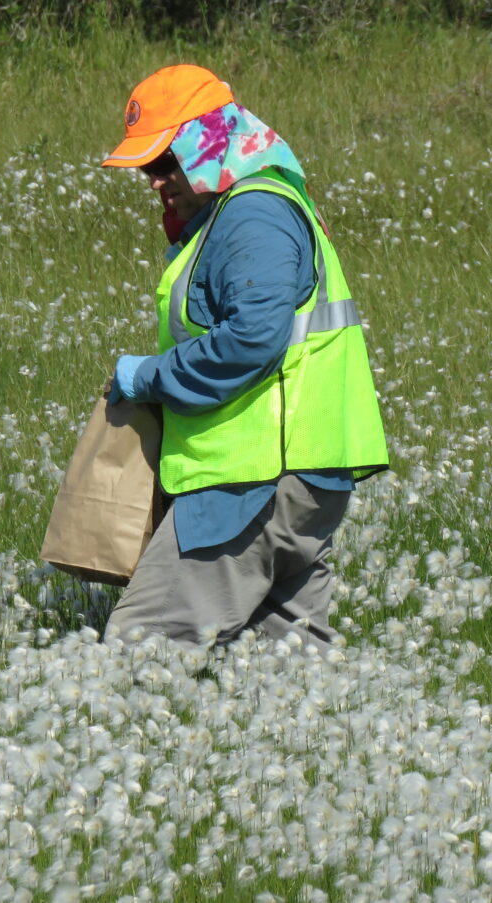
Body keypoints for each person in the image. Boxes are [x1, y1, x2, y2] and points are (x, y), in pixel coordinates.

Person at [100, 64, 388, 647]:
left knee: (144, 650)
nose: (155, 182)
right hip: (295, 477)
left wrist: (146, 379)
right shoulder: (244, 209)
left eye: (163, 162)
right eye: (146, 170)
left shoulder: (254, 215)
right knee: (282, 676)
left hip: (253, 482)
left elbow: (251, 341)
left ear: (205, 142)